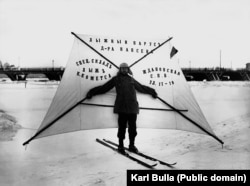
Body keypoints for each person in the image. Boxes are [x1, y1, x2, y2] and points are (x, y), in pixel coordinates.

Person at [86, 63, 157, 154]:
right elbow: (104, 88)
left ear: (128, 69)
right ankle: (120, 146)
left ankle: (132, 145)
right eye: (122, 68)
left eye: (125, 68)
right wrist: (91, 92)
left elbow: (141, 88)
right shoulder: (116, 79)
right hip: (122, 107)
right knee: (122, 128)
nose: (124, 70)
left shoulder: (131, 79)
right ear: (120, 69)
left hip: (132, 107)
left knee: (133, 128)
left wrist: (152, 92)